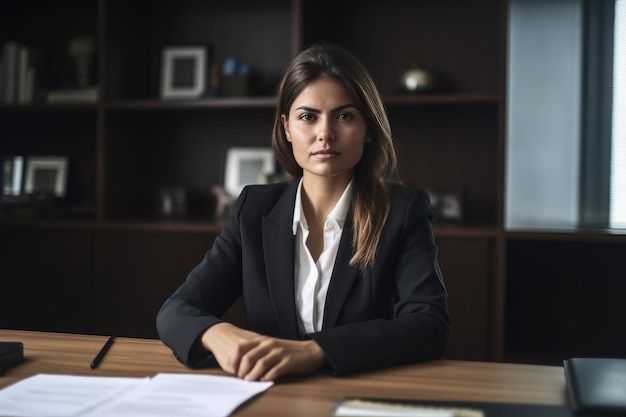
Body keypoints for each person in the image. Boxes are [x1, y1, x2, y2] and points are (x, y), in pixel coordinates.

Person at [156, 42, 449, 382]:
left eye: (344, 116)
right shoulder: (254, 209)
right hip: (270, 397)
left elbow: (429, 325)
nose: (325, 133)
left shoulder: (402, 211)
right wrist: (218, 334)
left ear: (367, 128)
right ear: (286, 128)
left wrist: (315, 351)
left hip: (356, 395)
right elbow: (175, 311)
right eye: (308, 117)